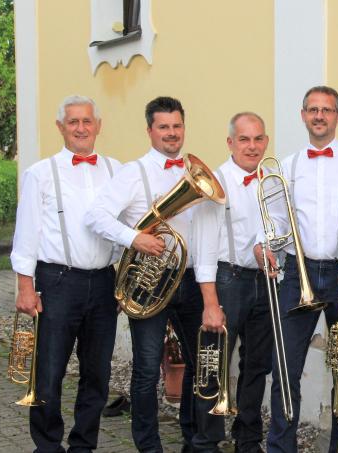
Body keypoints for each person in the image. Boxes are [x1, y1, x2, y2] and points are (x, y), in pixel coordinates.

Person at [85, 96, 217, 452]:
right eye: (163, 127)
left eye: (177, 126)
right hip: (149, 281)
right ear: (149, 131)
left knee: (198, 364)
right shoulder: (133, 172)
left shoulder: (192, 170)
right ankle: (148, 445)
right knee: (146, 370)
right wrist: (135, 238)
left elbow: (204, 233)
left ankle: (194, 440)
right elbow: (95, 216)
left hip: (188, 279)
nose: (171, 134)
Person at [265, 86, 338, 453]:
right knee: (286, 367)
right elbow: (277, 221)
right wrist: (264, 244)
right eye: (312, 109)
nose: (319, 116)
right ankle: (282, 447)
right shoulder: (287, 166)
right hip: (299, 274)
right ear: (302, 115)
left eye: (326, 110)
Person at [10, 95, 122, 453]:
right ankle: (47, 446)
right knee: (48, 372)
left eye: (87, 121)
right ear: (60, 127)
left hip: (104, 281)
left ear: (98, 126)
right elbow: (26, 233)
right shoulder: (41, 173)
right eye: (73, 122)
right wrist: (25, 287)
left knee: (97, 374)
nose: (81, 128)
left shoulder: (116, 169)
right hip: (57, 282)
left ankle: (83, 445)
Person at [191, 112, 275, 453]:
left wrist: (266, 246)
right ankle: (207, 441)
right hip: (227, 280)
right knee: (213, 364)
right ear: (230, 143)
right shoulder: (215, 183)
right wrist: (210, 302)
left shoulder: (272, 180)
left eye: (258, 139)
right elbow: (204, 250)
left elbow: (277, 226)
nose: (252, 146)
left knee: (256, 365)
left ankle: (248, 439)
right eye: (244, 139)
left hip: (264, 282)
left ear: (266, 142)